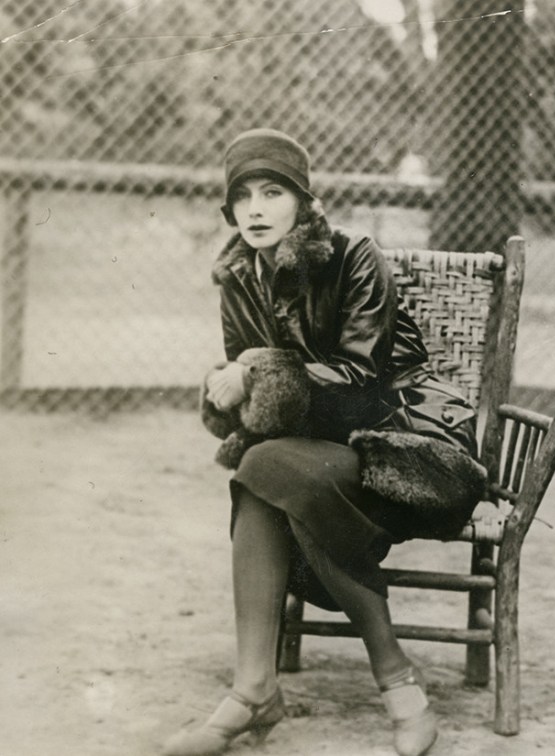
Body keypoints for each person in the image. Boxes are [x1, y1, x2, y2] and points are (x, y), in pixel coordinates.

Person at [163, 129, 480, 756]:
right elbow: (260, 407)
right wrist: (238, 387)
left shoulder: (354, 255)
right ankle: (305, 686)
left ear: (304, 202)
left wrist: (256, 375)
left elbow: (363, 382)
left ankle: (284, 687)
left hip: (406, 441)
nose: (255, 209)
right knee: (269, 468)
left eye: (272, 192)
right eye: (242, 196)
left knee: (271, 470)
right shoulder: (238, 277)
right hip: (314, 456)